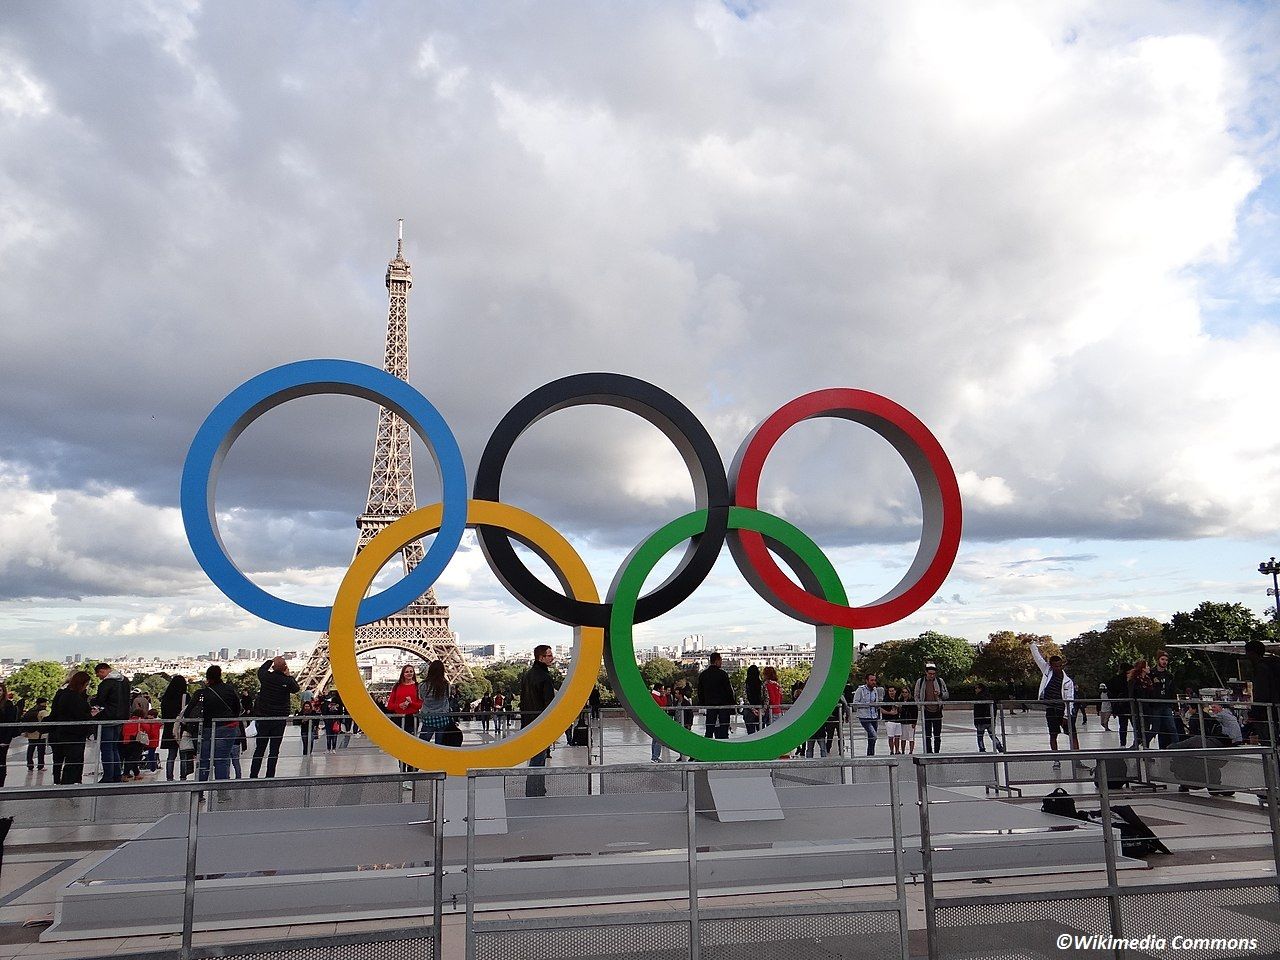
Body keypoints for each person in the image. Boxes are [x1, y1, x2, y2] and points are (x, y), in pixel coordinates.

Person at [1025, 639, 1077, 762]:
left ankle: (1077, 759)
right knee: (1053, 735)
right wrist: (1032, 645)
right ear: (1051, 665)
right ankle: (1056, 760)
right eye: (1055, 666)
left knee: (1073, 735)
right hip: (1051, 710)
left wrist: (1066, 715)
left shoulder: (1068, 681)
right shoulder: (1047, 672)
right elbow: (1038, 659)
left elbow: (1070, 699)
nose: (1058, 668)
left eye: (1059, 666)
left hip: (1062, 710)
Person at [248, 657, 299, 779]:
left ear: (273, 667)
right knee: (274, 750)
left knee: (259, 749)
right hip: (279, 719)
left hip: (264, 718)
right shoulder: (287, 681)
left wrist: (270, 661)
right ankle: (270, 776)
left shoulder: (266, 677)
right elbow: (296, 688)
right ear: (285, 667)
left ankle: (253, 775)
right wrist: (288, 675)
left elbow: (260, 670)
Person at [519, 645, 558, 797]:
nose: (552, 657)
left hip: (528, 721)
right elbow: (549, 703)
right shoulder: (545, 677)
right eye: (549, 655)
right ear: (541, 658)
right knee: (538, 759)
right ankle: (535, 790)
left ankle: (535, 788)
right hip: (541, 722)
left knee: (536, 757)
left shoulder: (528, 675)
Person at [195, 665, 241, 783]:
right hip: (228, 727)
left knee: (204, 760)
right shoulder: (229, 689)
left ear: (208, 677)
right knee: (222, 760)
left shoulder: (204, 693)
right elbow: (237, 708)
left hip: (208, 727)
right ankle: (222, 793)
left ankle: (200, 792)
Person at [49, 672, 93, 785]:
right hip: (73, 733)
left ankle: (61, 782)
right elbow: (79, 714)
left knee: (63, 760)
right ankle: (69, 783)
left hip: (63, 731)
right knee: (73, 760)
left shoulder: (64, 694)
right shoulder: (74, 697)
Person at [88, 663, 129, 783]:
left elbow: (100, 701)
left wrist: (91, 700)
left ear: (102, 671)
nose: (99, 677)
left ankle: (108, 776)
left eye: (98, 674)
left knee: (106, 748)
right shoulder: (124, 680)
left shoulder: (106, 683)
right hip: (121, 718)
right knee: (114, 747)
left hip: (107, 718)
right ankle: (117, 774)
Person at [1244, 639, 1280, 744]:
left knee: (1268, 741)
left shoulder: (1261, 669)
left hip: (1265, 713)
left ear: (1251, 653)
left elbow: (1261, 692)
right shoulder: (1272, 666)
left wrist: (1254, 712)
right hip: (1274, 709)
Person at [159, 675, 194, 781]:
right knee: (183, 755)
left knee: (171, 756)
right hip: (181, 728)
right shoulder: (185, 696)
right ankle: (183, 777)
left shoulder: (166, 697)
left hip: (169, 728)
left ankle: (169, 778)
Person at [695, 652, 735, 740]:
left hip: (710, 705)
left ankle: (708, 748)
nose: (721, 663)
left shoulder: (703, 675)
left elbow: (700, 692)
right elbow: (728, 691)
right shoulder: (723, 674)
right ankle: (724, 748)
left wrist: (703, 703)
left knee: (709, 729)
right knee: (724, 729)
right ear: (716, 661)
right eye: (720, 660)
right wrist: (732, 704)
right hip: (723, 706)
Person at [1145, 650, 1178, 749]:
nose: (1164, 662)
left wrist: (1175, 707)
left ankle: (1177, 747)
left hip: (1166, 705)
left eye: (1166, 660)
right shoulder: (1151, 674)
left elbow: (1173, 691)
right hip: (1155, 706)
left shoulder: (1169, 675)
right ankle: (1144, 744)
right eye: (1162, 659)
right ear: (1158, 660)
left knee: (1172, 728)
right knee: (1155, 729)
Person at [913, 664, 948, 754]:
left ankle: (937, 752)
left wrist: (940, 694)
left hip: (937, 711)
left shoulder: (940, 681)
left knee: (937, 735)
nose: (932, 676)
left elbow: (946, 694)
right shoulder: (920, 682)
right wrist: (920, 706)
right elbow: (916, 695)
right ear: (926, 673)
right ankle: (929, 752)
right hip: (926, 711)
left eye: (933, 674)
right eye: (930, 674)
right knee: (927, 735)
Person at [851, 673, 882, 756]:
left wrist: (877, 705)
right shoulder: (860, 690)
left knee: (872, 739)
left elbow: (876, 701)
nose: (873, 682)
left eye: (874, 680)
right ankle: (870, 754)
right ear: (867, 680)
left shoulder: (875, 690)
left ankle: (871, 754)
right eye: (871, 680)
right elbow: (855, 703)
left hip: (874, 716)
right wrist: (868, 704)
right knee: (873, 735)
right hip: (864, 716)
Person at [972, 682, 1004, 753]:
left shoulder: (978, 698)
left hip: (981, 720)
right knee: (992, 735)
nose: (976, 690)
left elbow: (977, 711)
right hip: (990, 720)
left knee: (980, 736)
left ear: (981, 689)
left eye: (977, 688)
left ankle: (982, 749)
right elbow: (994, 708)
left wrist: (976, 721)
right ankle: (999, 747)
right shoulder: (990, 697)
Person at [1108, 663, 1133, 747]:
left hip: (1121, 706)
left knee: (1122, 726)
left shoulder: (1115, 680)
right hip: (1128, 706)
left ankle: (1123, 744)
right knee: (1134, 726)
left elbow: (1111, 693)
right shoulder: (1129, 680)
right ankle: (1135, 742)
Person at [120, 708, 149, 780]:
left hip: (126, 741)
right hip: (136, 741)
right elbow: (148, 729)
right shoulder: (140, 721)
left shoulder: (128, 721)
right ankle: (125, 775)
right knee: (134, 758)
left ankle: (137, 774)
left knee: (128, 758)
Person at [22, 697, 49, 771]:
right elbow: (47, 721)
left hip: (31, 734)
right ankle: (40, 766)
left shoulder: (31, 710)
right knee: (41, 751)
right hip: (40, 734)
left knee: (30, 750)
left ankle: (30, 766)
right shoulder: (43, 711)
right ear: (43, 703)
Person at [0, 683, 16, 787]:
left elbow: (10, 725)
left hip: (2, 738)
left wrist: (6, 741)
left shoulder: (8, 705)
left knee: (1, 761)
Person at [741, 665, 764, 734]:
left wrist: (753, 709)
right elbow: (766, 698)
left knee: (751, 734)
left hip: (748, 712)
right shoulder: (762, 684)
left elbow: (745, 699)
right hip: (760, 710)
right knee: (761, 733)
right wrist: (762, 710)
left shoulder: (745, 685)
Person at [649, 683, 668, 762]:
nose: (663, 690)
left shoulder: (653, 695)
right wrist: (663, 696)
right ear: (659, 689)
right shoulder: (655, 696)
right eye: (662, 689)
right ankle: (655, 757)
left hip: (654, 718)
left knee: (655, 739)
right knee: (658, 739)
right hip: (657, 719)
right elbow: (663, 704)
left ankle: (654, 756)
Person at [897, 685, 918, 755]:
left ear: (908, 693)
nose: (904, 694)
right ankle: (903, 751)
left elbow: (915, 712)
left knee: (911, 738)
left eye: (906, 692)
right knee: (903, 738)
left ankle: (911, 751)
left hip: (910, 721)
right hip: (903, 721)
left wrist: (914, 722)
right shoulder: (900, 700)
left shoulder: (912, 700)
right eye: (903, 692)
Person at [881, 686, 902, 754]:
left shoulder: (897, 699)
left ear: (895, 691)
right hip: (889, 720)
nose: (891, 692)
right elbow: (881, 710)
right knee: (890, 737)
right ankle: (891, 751)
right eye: (890, 691)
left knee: (897, 737)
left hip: (897, 720)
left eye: (893, 691)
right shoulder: (885, 700)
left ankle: (897, 750)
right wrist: (890, 713)